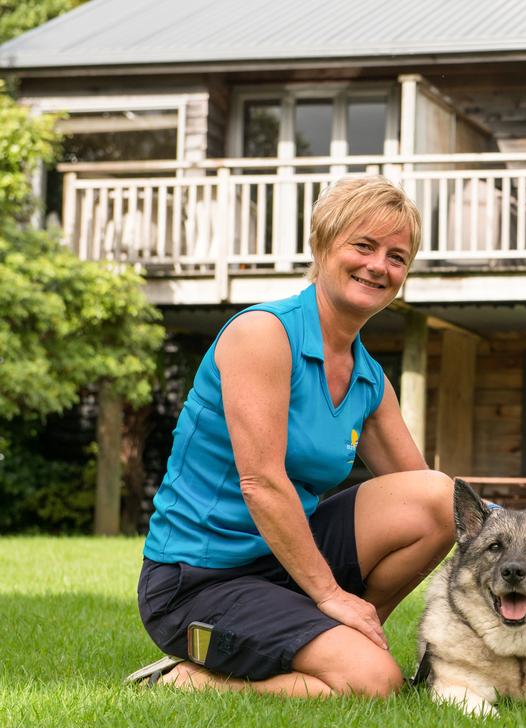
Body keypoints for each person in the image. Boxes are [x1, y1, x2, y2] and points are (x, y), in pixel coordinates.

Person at [126, 175, 456, 697]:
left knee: (440, 499)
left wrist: (522, 540)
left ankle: (350, 641)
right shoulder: (263, 335)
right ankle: (189, 680)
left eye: (397, 257)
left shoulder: (368, 380)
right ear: (322, 245)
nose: (379, 265)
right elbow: (261, 483)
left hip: (285, 561)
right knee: (374, 685)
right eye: (363, 245)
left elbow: (427, 499)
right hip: (198, 581)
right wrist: (330, 594)